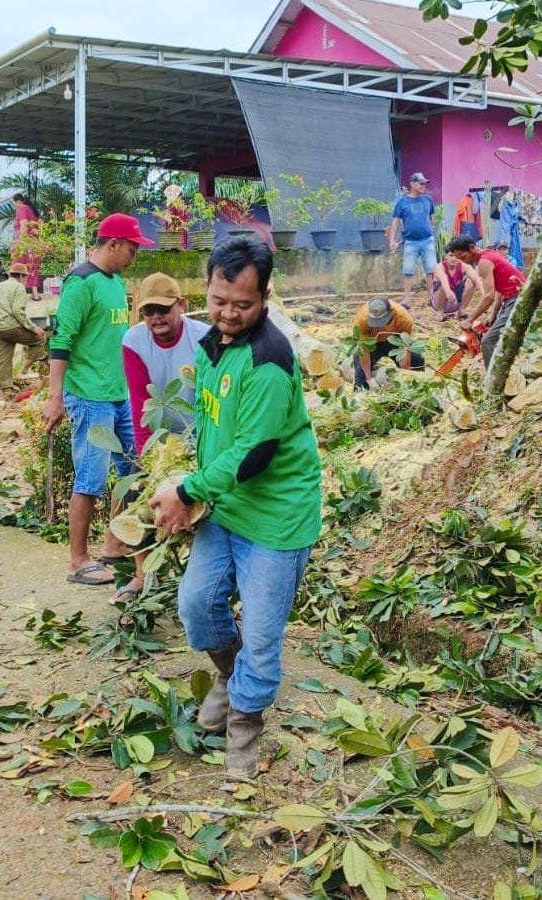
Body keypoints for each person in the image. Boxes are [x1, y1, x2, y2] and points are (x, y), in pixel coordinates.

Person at [148, 237, 322, 778]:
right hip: (223, 506)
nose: (228, 313)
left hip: (274, 517)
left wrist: (189, 491)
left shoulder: (270, 360)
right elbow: (213, 424)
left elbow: (254, 454)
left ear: (265, 295)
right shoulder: (210, 344)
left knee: (264, 635)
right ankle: (229, 674)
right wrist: (185, 477)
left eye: (242, 305)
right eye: (219, 299)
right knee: (197, 606)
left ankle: (245, 724)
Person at [43, 213, 152, 587]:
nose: (134, 256)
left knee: (133, 473)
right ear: (113, 245)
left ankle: (114, 543)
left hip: (119, 395)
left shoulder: (116, 282)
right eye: (133, 249)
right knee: (90, 478)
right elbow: (61, 340)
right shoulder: (81, 282)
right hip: (90, 396)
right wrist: (55, 397)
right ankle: (77, 560)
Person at [113, 272, 210, 602]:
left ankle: (200, 582)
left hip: (201, 432)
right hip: (157, 439)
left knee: (203, 506)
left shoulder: (205, 338)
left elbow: (210, 401)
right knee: (136, 496)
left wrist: (202, 449)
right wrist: (149, 463)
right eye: (148, 311)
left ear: (181, 305)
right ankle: (143, 576)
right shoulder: (133, 341)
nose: (155, 318)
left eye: (163, 310)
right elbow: (141, 404)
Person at [459, 241, 530, 368]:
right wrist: (493, 314)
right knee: (493, 336)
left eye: (464, 257)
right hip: (512, 298)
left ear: (472, 248)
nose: (464, 261)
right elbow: (499, 289)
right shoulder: (489, 254)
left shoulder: (484, 262)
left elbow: (488, 296)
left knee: (487, 342)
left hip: (518, 298)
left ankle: (492, 383)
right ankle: (501, 373)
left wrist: (470, 319)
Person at [0, 261, 47, 399]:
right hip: (11, 326)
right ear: (20, 276)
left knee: (1, 361)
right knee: (39, 340)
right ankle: (24, 370)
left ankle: (3, 393)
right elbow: (17, 311)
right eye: (25, 277)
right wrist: (33, 327)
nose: (25, 280)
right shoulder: (18, 287)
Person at [386, 172, 437, 309]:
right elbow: (395, 222)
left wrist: (429, 229)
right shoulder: (402, 202)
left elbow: (432, 217)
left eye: (424, 184)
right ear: (412, 184)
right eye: (421, 183)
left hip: (427, 240)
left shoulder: (428, 200)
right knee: (408, 270)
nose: (423, 186)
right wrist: (392, 240)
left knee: (431, 270)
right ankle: (407, 299)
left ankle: (431, 298)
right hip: (410, 241)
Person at [352, 296, 424, 389]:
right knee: (360, 384)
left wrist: (404, 375)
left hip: (394, 340)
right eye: (375, 323)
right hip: (371, 343)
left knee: (417, 360)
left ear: (391, 313)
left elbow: (404, 348)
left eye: (382, 322)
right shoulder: (362, 319)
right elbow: (363, 351)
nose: (379, 327)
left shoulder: (403, 318)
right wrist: (369, 379)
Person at [429, 236, 477, 318]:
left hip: (456, 301)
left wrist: (484, 292)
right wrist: (448, 292)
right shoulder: (439, 267)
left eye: (455, 256)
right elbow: (443, 278)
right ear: (445, 256)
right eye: (451, 255)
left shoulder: (463, 266)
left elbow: (476, 278)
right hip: (439, 302)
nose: (453, 258)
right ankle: (440, 312)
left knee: (471, 281)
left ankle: (462, 310)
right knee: (442, 283)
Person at [11, 193, 44, 300]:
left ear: (17, 201)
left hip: (25, 244)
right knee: (33, 267)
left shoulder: (21, 208)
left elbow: (24, 224)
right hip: (34, 244)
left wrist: (20, 242)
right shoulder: (32, 211)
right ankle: (35, 294)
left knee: (18, 267)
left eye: (13, 203)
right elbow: (41, 226)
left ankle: (17, 295)